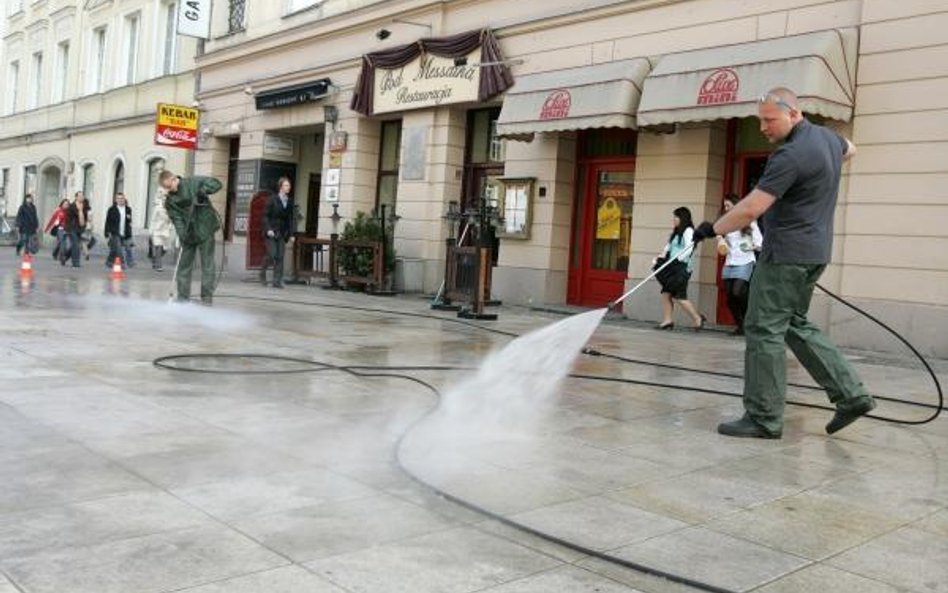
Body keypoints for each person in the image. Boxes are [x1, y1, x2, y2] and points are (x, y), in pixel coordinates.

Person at [692, 87, 876, 439]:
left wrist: (710, 229)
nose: (763, 127)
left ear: (794, 113)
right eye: (760, 119)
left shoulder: (789, 155)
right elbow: (852, 149)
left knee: (763, 330)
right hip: (815, 251)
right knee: (793, 323)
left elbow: (750, 209)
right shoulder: (828, 140)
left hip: (786, 254)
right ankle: (852, 395)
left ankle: (763, 417)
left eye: (769, 120)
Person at [158, 169, 222, 305]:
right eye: (166, 188)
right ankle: (182, 297)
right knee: (184, 265)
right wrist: (183, 235)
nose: (169, 190)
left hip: (205, 228)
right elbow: (176, 220)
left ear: (174, 178)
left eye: (170, 186)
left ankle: (206, 297)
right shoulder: (170, 201)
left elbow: (217, 183)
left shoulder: (193, 182)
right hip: (188, 232)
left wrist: (205, 190)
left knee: (207, 264)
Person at [717, 193, 763, 336]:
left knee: (738, 292)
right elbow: (719, 239)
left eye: (728, 205)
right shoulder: (725, 223)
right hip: (730, 261)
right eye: (724, 206)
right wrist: (720, 239)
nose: (725, 209)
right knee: (730, 297)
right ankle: (740, 325)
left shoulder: (749, 222)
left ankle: (750, 320)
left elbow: (760, 243)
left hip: (745, 260)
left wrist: (750, 246)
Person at [654, 206, 706, 331]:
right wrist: (661, 256)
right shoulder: (676, 233)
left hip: (682, 268)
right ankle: (667, 321)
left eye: (676, 217)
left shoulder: (688, 231)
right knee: (666, 294)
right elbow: (668, 248)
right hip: (672, 267)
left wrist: (678, 259)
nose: (674, 219)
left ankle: (698, 318)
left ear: (682, 218)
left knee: (679, 296)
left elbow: (689, 248)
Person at [259, 177, 296, 289]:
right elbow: (265, 215)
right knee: (272, 254)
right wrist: (268, 229)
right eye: (286, 185)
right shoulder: (272, 199)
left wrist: (291, 234)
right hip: (270, 232)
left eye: (289, 186)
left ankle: (276, 281)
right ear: (280, 187)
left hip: (282, 233)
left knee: (280, 257)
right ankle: (262, 273)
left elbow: (290, 219)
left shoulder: (289, 201)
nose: (288, 187)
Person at [104, 192, 135, 268]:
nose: (120, 200)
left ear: (124, 199)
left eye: (122, 198)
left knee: (117, 249)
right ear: (116, 200)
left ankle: (109, 262)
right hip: (115, 232)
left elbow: (129, 221)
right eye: (118, 198)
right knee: (118, 249)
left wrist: (130, 232)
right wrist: (106, 232)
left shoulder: (128, 209)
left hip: (125, 232)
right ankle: (122, 263)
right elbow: (107, 221)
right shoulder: (112, 209)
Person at [149, 188, 176, 272]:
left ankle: (155, 259)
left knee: (165, 249)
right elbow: (153, 220)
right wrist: (150, 231)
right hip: (157, 230)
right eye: (164, 200)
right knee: (158, 247)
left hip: (166, 231)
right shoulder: (157, 208)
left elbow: (172, 220)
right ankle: (158, 266)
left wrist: (171, 225)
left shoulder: (171, 209)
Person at [62, 192, 88, 268]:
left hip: (79, 229)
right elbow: (67, 219)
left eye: (82, 196)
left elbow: (85, 218)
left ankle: (65, 257)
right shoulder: (72, 206)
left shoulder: (84, 206)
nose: (81, 197)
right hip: (71, 229)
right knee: (76, 245)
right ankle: (75, 263)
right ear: (76, 197)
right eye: (80, 196)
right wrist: (66, 229)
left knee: (74, 245)